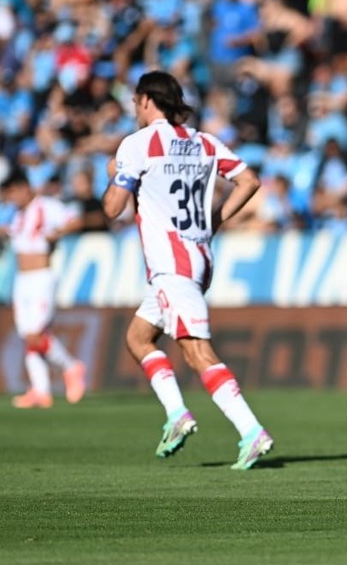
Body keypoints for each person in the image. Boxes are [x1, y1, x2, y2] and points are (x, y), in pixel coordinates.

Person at [101, 71, 272, 470]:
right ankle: (177, 414)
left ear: (145, 101)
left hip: (171, 264)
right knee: (139, 337)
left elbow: (112, 209)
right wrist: (216, 219)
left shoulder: (138, 144)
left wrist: (114, 175)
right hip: (198, 257)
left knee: (196, 351)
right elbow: (248, 180)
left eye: (134, 102)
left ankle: (251, 431)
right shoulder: (203, 142)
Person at [1, 171, 87, 409]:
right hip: (22, 280)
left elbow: (75, 219)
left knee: (35, 334)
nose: (12, 198)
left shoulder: (47, 205)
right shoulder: (18, 216)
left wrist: (59, 232)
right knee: (28, 335)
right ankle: (41, 391)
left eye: (13, 192)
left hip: (41, 277)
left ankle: (71, 367)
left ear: (24, 188)